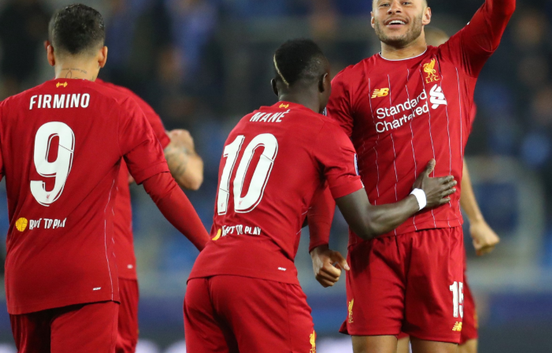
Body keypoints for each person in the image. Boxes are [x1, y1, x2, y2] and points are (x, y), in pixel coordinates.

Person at [0, 4, 210, 353]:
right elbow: (163, 188)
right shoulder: (120, 108)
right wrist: (209, 250)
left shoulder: (7, 111)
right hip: (86, 279)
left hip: (25, 279)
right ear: (102, 56)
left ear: (49, 51)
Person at [309, 0, 515, 353]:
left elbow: (500, 10)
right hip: (373, 244)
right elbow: (332, 168)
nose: (395, 9)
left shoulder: (456, 61)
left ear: (426, 14)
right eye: (384, 4)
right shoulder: (348, 84)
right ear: (371, 19)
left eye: (406, 1)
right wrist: (320, 242)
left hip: (438, 239)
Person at [184, 39, 457, 353]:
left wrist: (318, 245)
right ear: (326, 82)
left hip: (203, 278)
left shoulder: (242, 126)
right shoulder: (325, 132)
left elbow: (285, 201)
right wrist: (421, 198)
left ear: (275, 85)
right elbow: (366, 222)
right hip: (261, 279)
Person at [394, 28, 501, 353]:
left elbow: (455, 160)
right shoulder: (401, 104)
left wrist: (477, 219)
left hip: (445, 235)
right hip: (401, 235)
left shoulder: (460, 101)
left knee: (465, 342)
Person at [96, 77, 204, 353]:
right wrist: (184, 143)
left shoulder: (22, 107)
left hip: (40, 263)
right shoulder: (124, 103)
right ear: (101, 55)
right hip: (109, 265)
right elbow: (191, 177)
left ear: (50, 52)